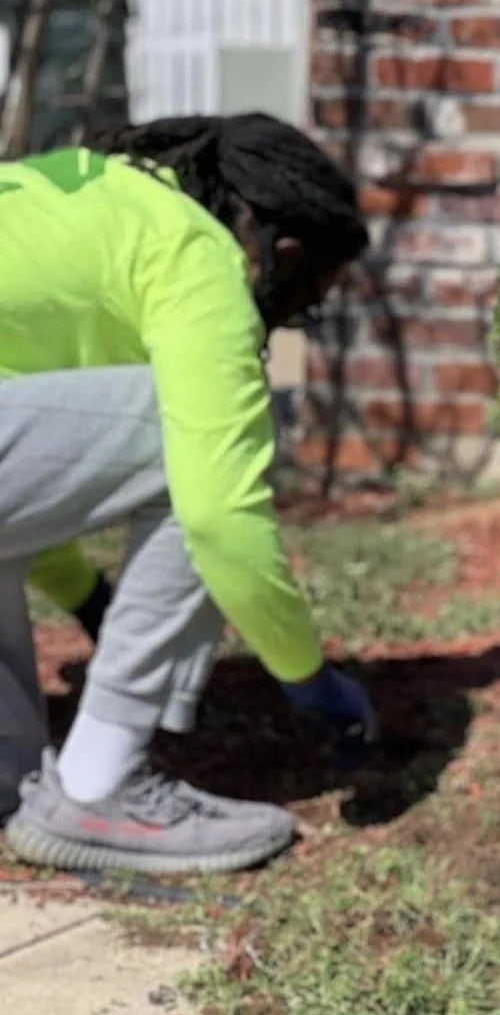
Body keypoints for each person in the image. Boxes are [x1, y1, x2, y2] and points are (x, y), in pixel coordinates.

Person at [0, 113, 378, 873]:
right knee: (202, 435)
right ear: (285, 250)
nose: (298, 314)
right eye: (311, 292)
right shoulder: (194, 256)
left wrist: (85, 597)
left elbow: (22, 473)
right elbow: (218, 516)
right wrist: (308, 677)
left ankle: (11, 778)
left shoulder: (93, 202)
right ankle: (95, 786)